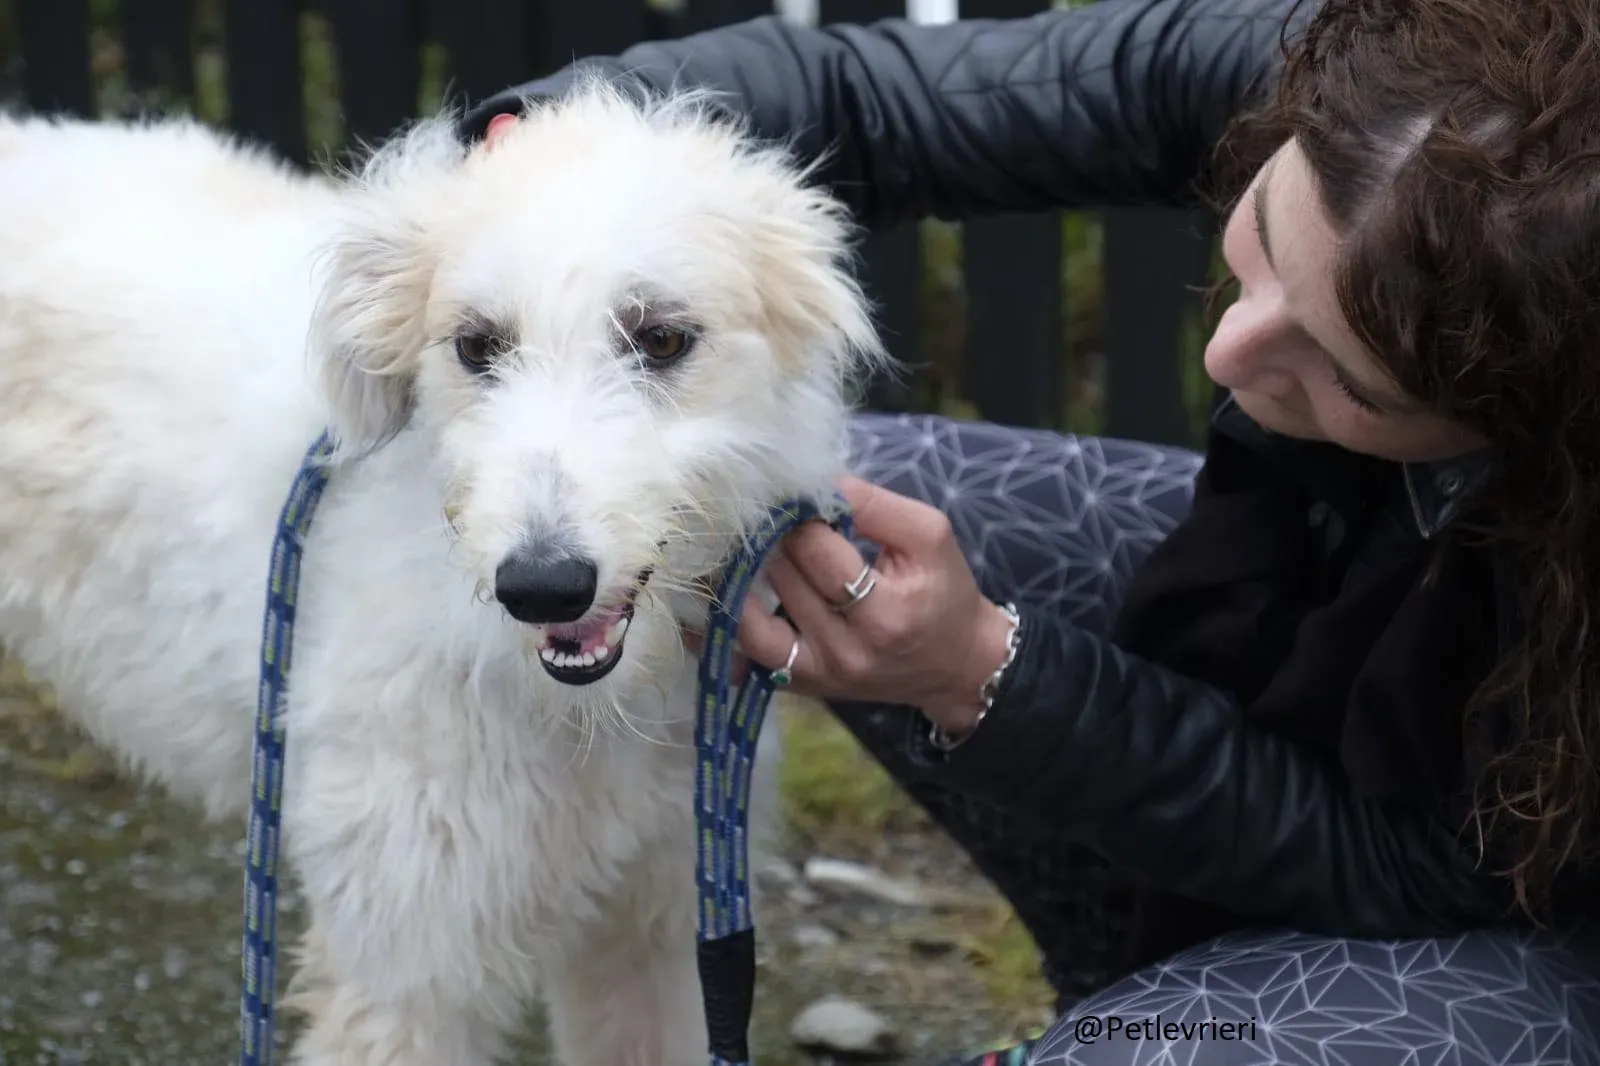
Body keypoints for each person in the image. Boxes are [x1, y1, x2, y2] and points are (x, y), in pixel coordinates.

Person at [459, 0, 1600, 1062]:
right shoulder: (1382, 95)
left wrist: (985, 676)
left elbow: (1413, 869)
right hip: (1334, 607)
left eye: (1348, 377)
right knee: (854, 502)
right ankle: (1141, 978)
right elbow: (870, 100)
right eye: (1254, 231)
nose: (1227, 355)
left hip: (1525, 912)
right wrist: (546, 140)